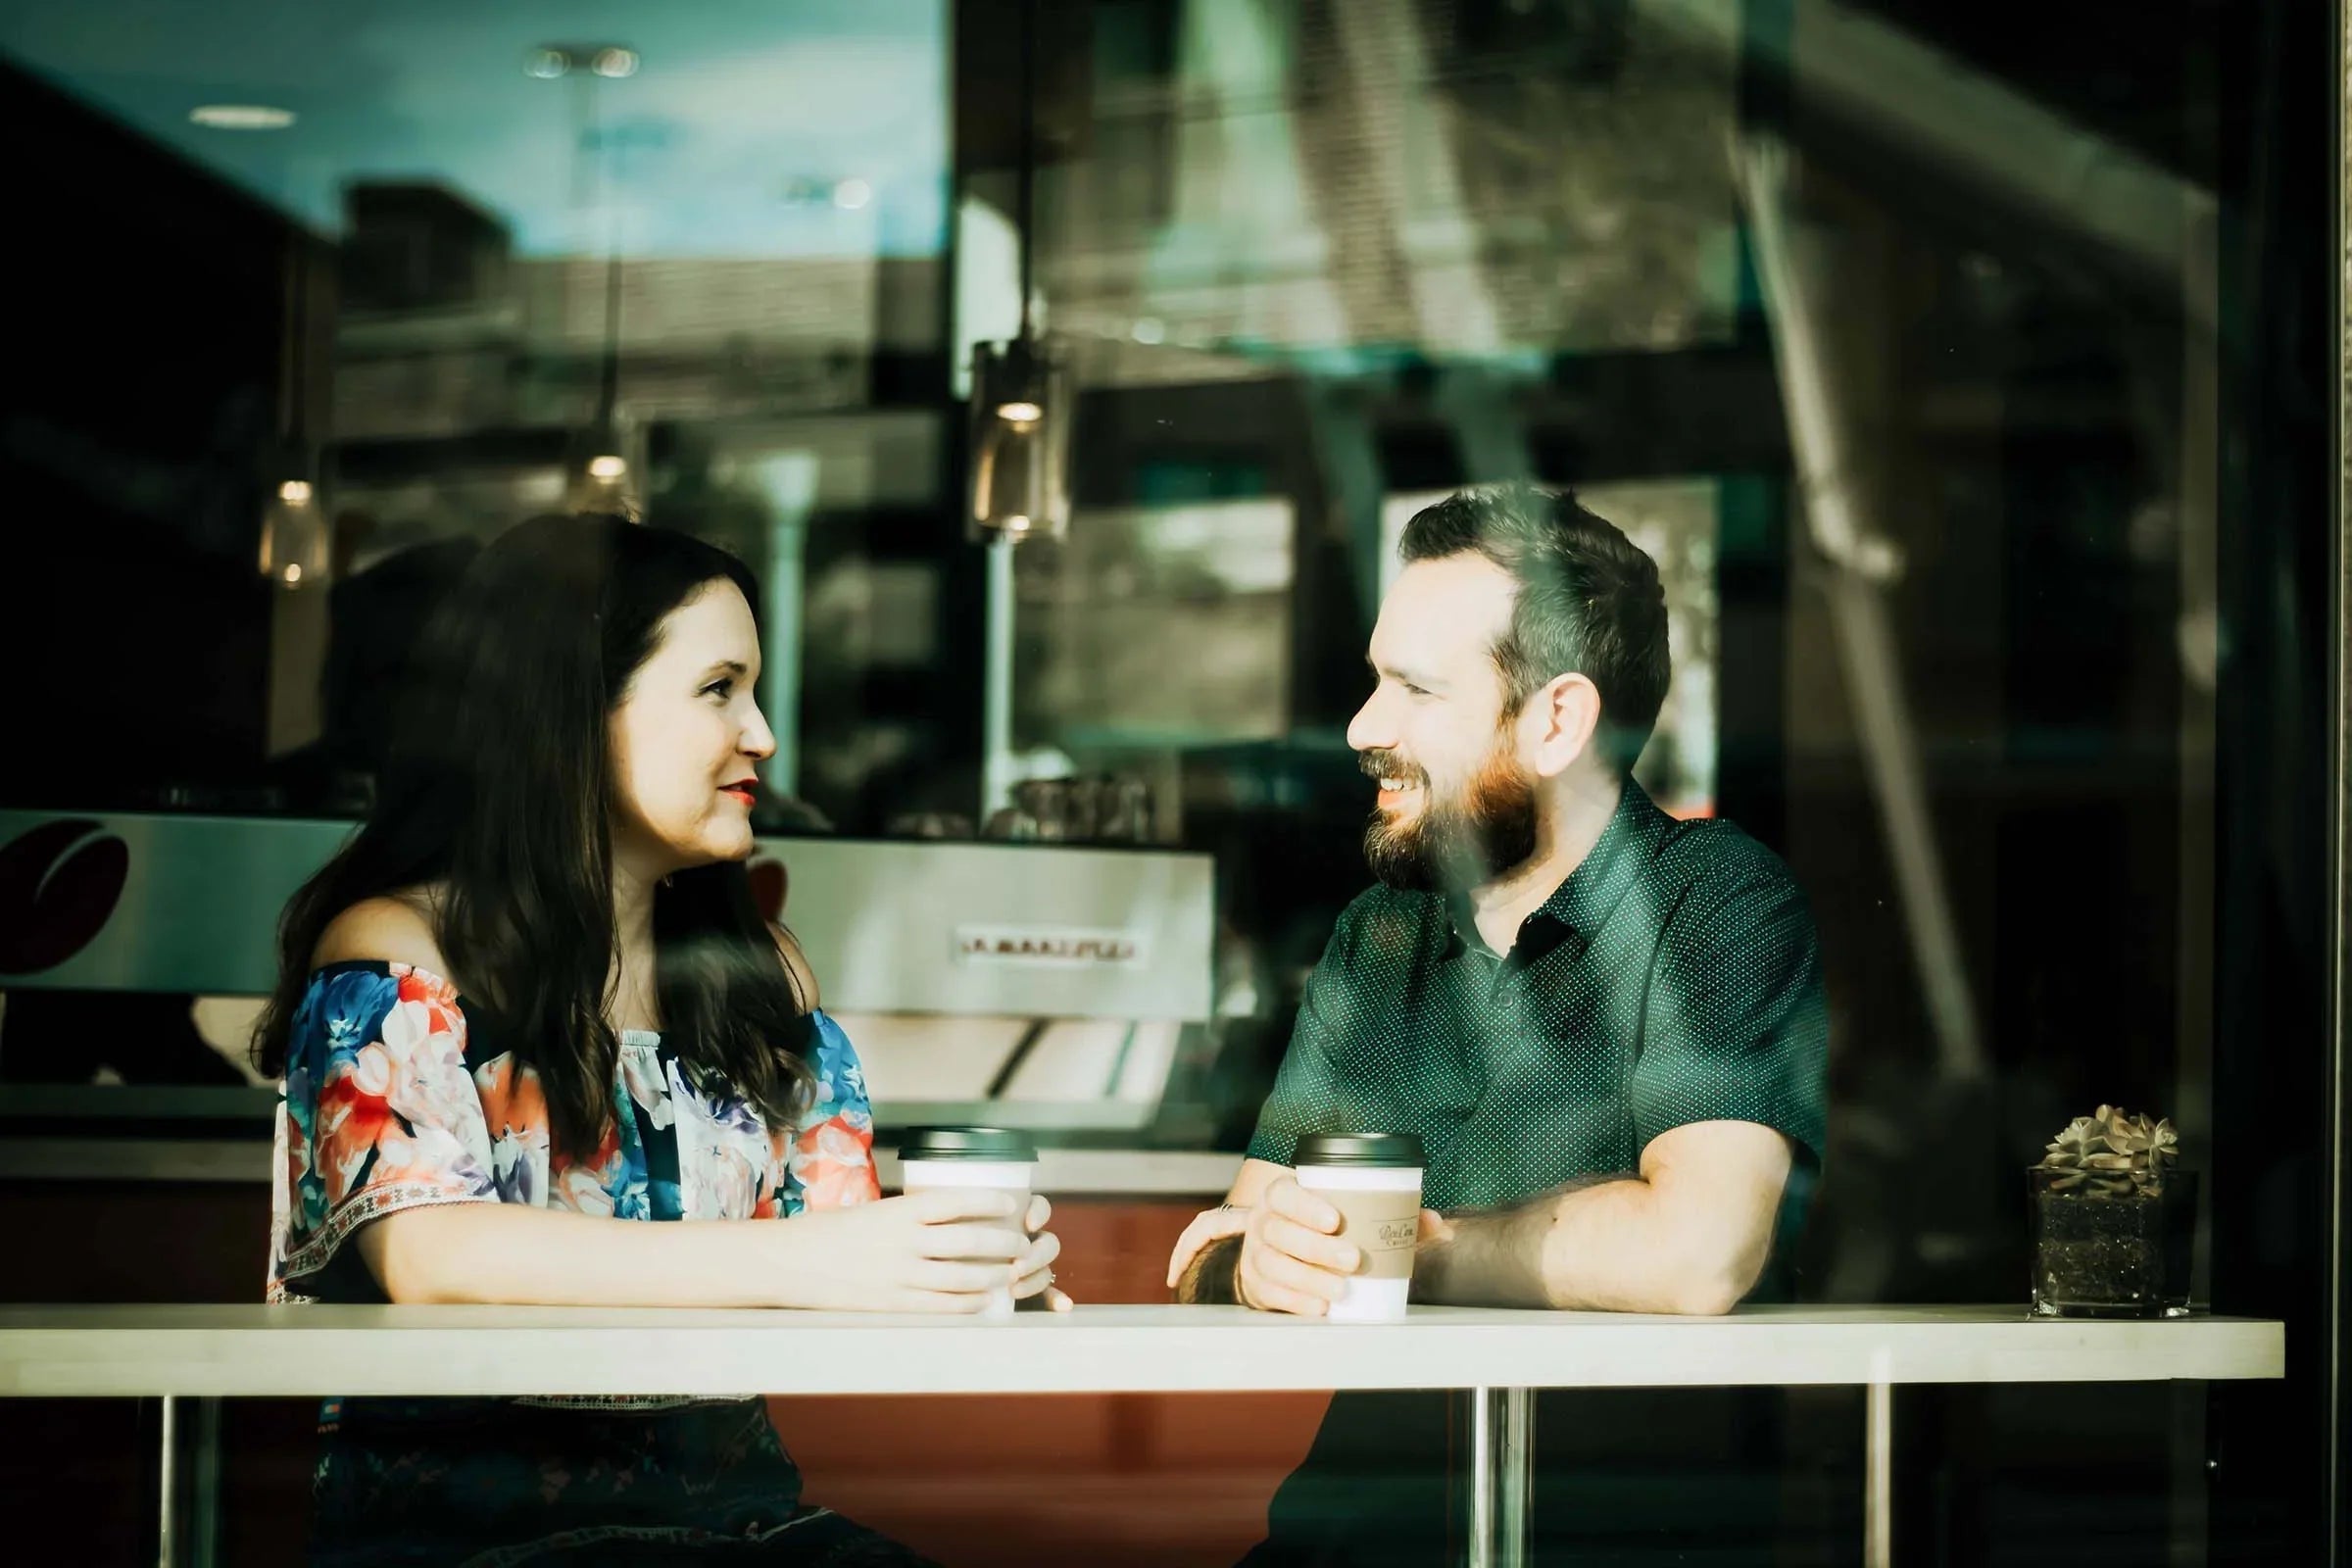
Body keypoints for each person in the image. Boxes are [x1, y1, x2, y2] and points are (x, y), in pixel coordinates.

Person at [255, 513, 1069, 1567]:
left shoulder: (756, 971)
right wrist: (829, 1257)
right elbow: (431, 1253)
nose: (764, 734)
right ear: (572, 712)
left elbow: (831, 1246)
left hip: (741, 1523)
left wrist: (962, 1269)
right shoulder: (396, 950)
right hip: (473, 1536)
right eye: (719, 688)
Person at [1168, 485, 1829, 1564]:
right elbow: (1228, 1238)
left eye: (1415, 688)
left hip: (1619, 1538)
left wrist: (1402, 1256)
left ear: (1556, 720)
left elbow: (1699, 1253)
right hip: (1348, 1537)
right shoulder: (1380, 932)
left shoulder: (1717, 902)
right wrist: (1250, 1267)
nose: (1361, 727)